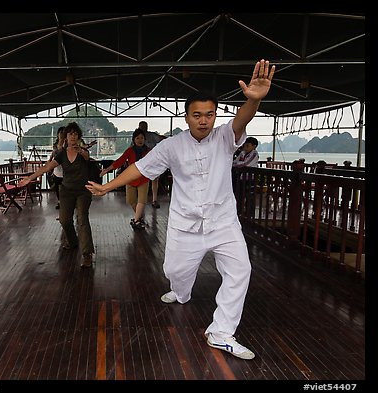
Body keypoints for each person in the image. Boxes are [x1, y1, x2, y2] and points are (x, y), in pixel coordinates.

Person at [86, 59, 276, 360]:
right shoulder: (171, 146)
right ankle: (182, 291)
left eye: (209, 114)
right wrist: (108, 187)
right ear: (187, 118)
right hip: (185, 225)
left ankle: (221, 332)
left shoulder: (225, 137)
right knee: (175, 271)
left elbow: (241, 121)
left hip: (223, 222)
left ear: (215, 115)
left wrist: (252, 101)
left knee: (241, 270)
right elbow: (138, 167)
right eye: (197, 115)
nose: (204, 120)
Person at [18, 122, 95, 268]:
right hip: (66, 191)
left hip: (83, 191)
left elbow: (86, 157)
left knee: (82, 219)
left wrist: (80, 150)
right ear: (65, 136)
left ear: (78, 136)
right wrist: (30, 177)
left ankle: (87, 254)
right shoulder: (61, 154)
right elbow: (48, 166)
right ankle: (73, 241)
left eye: (75, 134)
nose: (72, 136)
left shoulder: (83, 152)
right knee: (65, 220)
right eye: (70, 133)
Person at [99, 128, 150, 230]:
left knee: (142, 200)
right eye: (137, 138)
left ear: (145, 139)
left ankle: (136, 220)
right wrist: (106, 170)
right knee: (131, 200)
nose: (140, 140)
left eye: (142, 138)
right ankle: (139, 217)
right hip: (130, 178)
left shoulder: (149, 151)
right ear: (134, 140)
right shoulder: (130, 151)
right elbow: (120, 161)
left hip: (144, 178)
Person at [139, 121, 166, 208]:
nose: (144, 128)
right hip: (142, 160)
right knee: (143, 181)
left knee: (155, 180)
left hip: (153, 160)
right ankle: (142, 200)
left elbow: (161, 139)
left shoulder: (152, 135)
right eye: (142, 126)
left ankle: (154, 200)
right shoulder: (137, 137)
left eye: (145, 126)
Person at [49, 126, 67, 210]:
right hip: (57, 171)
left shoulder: (67, 145)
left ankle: (66, 203)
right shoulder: (56, 145)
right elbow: (53, 154)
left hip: (66, 171)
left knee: (65, 188)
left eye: (63, 133)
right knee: (57, 188)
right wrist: (49, 161)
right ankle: (60, 202)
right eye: (60, 133)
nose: (61, 134)